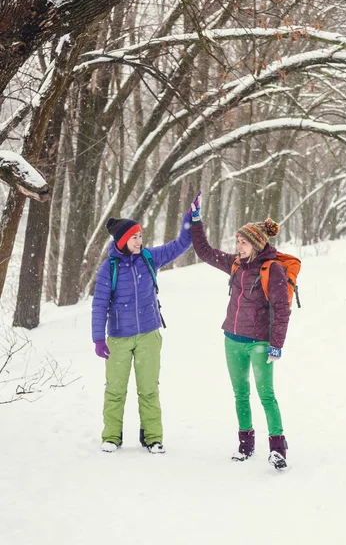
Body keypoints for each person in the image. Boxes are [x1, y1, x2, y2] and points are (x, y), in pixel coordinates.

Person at [190, 193, 291, 469]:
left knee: (266, 394)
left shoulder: (274, 270)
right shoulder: (235, 264)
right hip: (232, 340)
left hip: (259, 343)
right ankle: (246, 445)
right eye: (237, 241)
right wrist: (196, 221)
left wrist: (276, 344)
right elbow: (205, 251)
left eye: (243, 242)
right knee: (240, 394)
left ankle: (278, 448)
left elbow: (282, 310)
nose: (238, 246)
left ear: (256, 244)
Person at [92, 204, 194, 454]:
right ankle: (111, 437)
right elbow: (99, 304)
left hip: (149, 333)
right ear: (124, 239)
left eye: (140, 236)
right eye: (135, 237)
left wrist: (189, 221)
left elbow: (181, 244)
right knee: (115, 390)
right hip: (118, 338)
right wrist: (98, 338)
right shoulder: (109, 267)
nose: (140, 240)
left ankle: (153, 437)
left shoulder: (149, 258)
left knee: (149, 389)